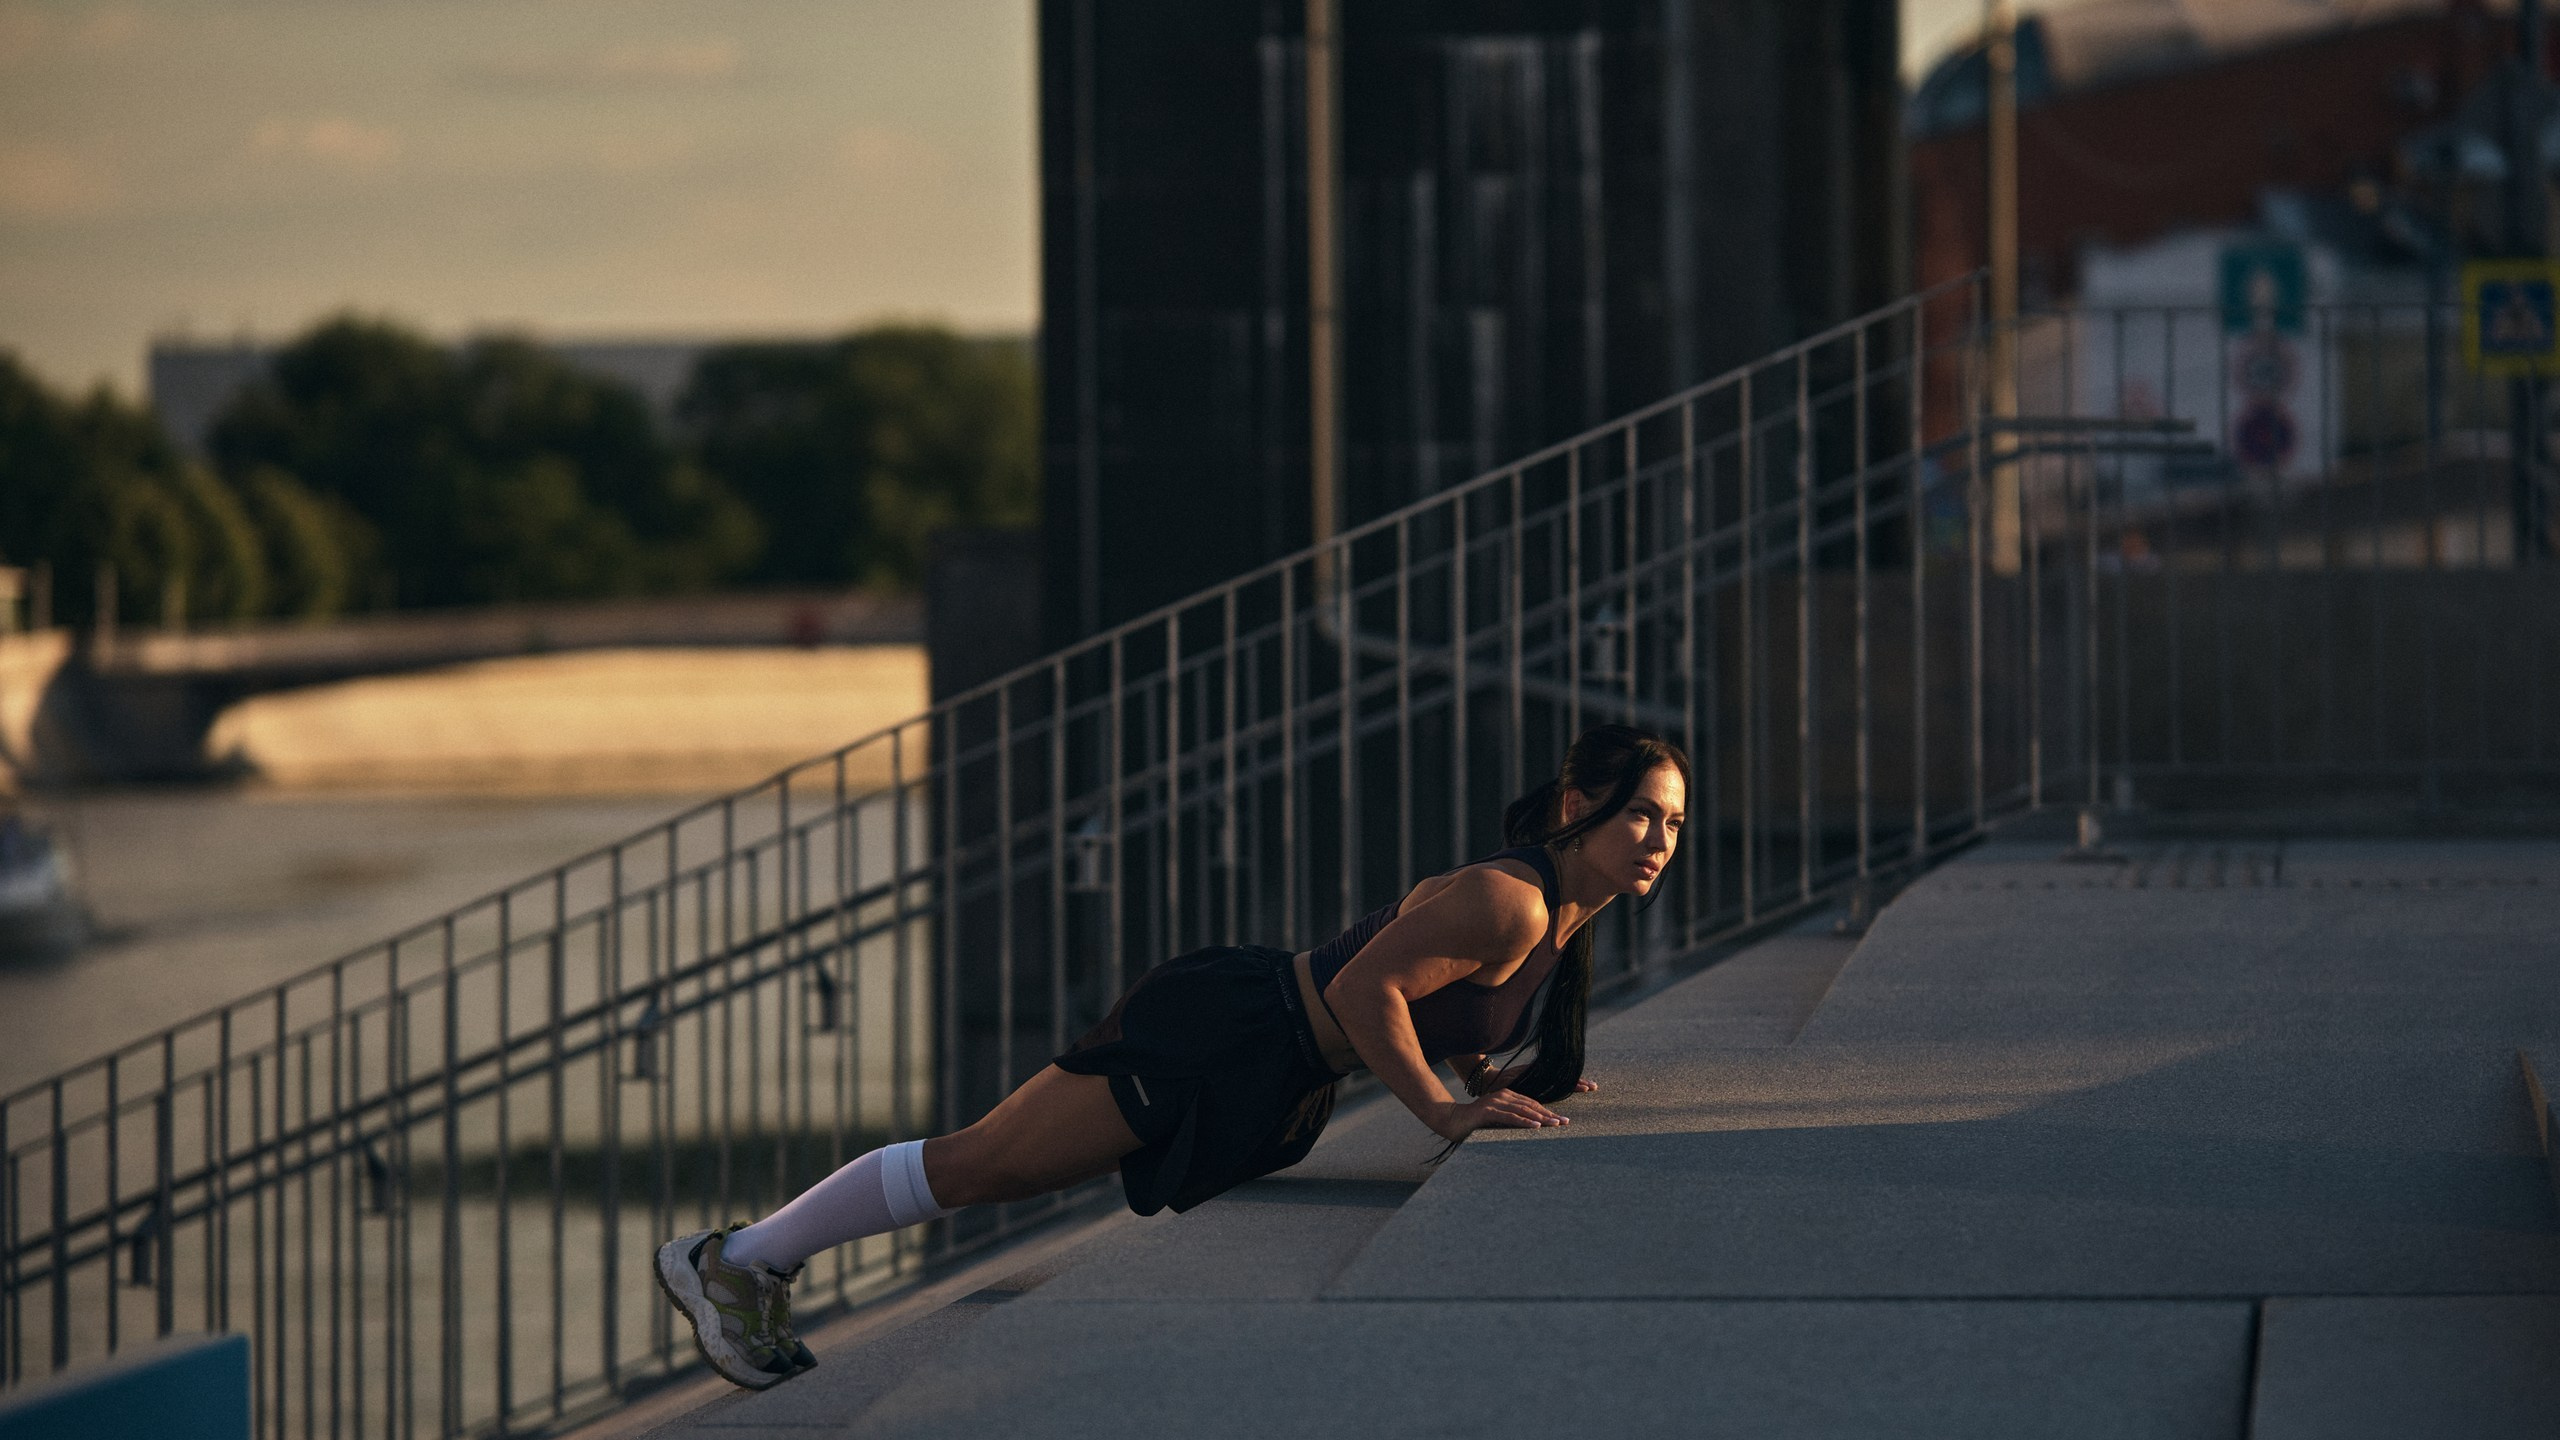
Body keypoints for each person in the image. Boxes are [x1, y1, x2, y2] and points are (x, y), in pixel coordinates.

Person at [654, 724, 1691, 1389]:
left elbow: (1440, 997)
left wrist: (1485, 1079)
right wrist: (1442, 1112)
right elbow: (1366, 988)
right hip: (1227, 1032)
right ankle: (734, 1261)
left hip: (1267, 1059)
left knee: (990, 1166)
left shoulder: (1561, 913)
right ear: (1574, 809)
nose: (1658, 837)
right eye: (1642, 811)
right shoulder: (1511, 899)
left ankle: (751, 1258)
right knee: (981, 1165)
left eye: (1675, 821)